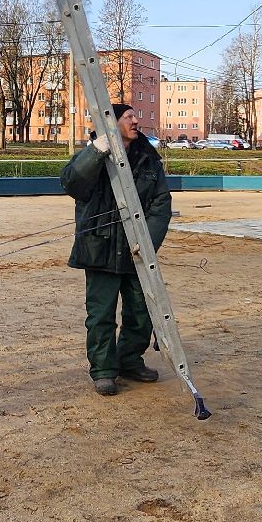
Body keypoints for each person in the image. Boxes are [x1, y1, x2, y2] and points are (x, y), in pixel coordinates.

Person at [60, 103, 172, 396]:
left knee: (141, 312)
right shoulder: (91, 157)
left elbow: (161, 206)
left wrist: (147, 244)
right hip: (100, 249)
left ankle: (129, 360)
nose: (137, 121)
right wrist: (98, 149)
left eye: (136, 116)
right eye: (129, 116)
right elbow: (72, 183)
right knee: (101, 316)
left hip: (136, 252)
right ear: (111, 122)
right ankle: (104, 370)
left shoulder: (148, 160)